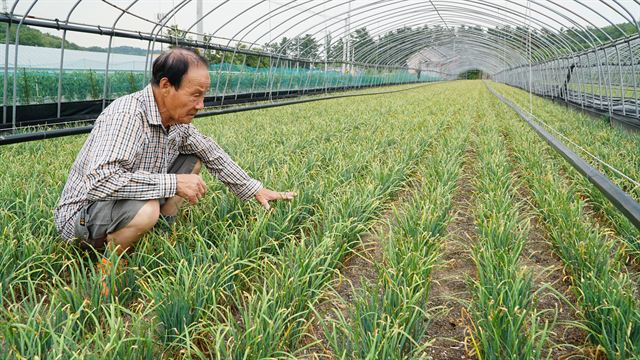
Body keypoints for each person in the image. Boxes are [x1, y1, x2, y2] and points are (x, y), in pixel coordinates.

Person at [54, 47, 296, 255]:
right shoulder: (128, 115)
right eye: (195, 95)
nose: (201, 105)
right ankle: (111, 263)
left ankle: (160, 233)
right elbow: (101, 180)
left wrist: (253, 188)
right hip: (83, 218)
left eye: (204, 96)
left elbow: (211, 152)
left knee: (192, 160)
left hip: (124, 201)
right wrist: (173, 183)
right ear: (166, 86)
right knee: (148, 208)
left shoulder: (176, 122)